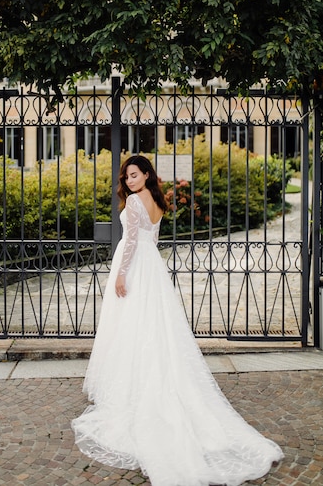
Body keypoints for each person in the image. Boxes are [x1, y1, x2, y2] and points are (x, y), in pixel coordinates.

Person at [72, 155, 283, 486]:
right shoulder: (155, 198)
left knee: (132, 325)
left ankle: (134, 385)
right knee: (152, 327)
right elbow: (150, 240)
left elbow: (129, 243)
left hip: (136, 266)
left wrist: (122, 274)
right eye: (126, 176)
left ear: (145, 175)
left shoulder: (137, 202)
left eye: (134, 174)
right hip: (152, 264)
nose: (129, 180)